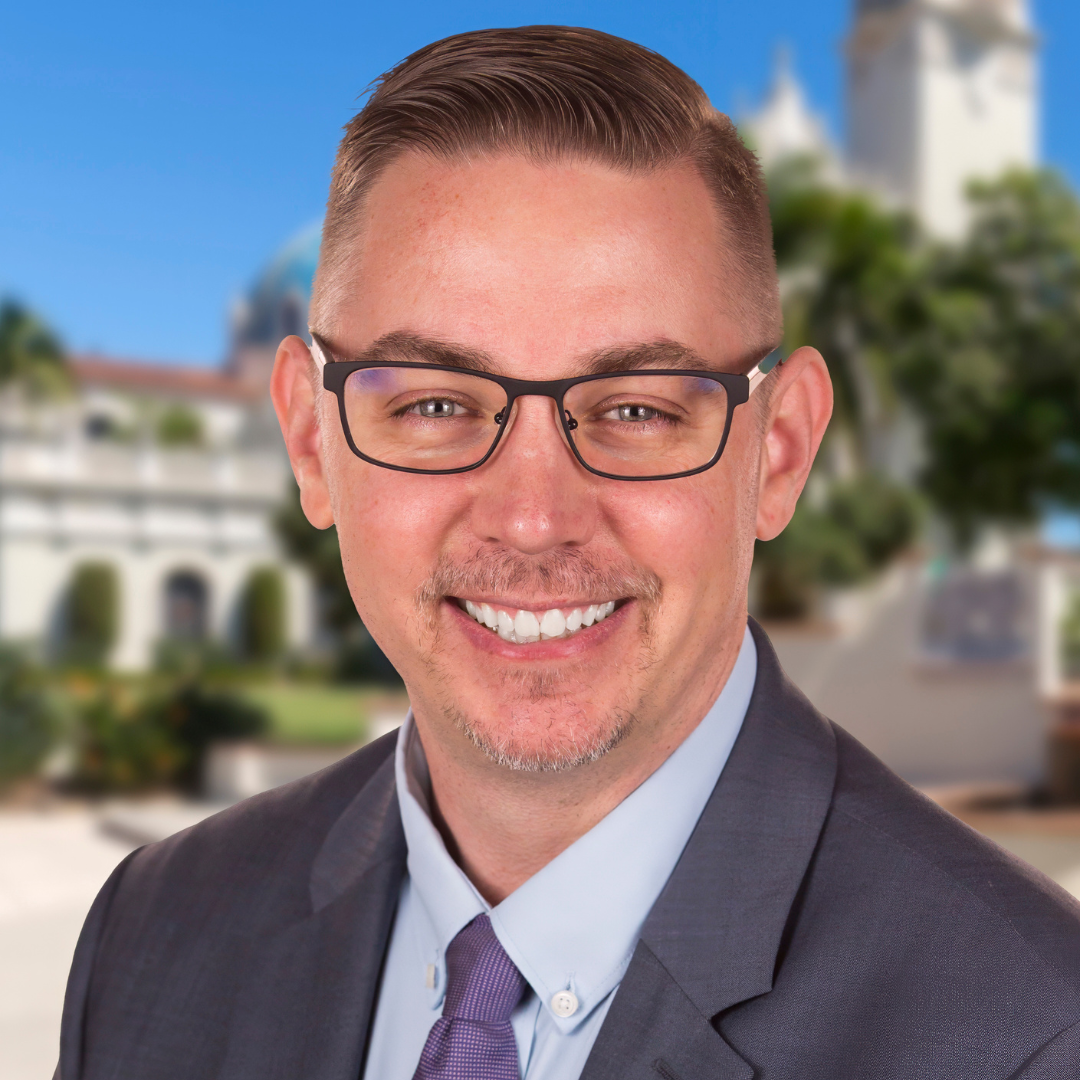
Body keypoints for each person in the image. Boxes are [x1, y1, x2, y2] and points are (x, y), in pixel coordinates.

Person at [57, 26, 1080, 1080]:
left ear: (778, 453)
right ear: (311, 440)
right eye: (437, 403)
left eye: (635, 408)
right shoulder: (154, 937)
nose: (534, 517)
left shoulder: (1034, 1031)